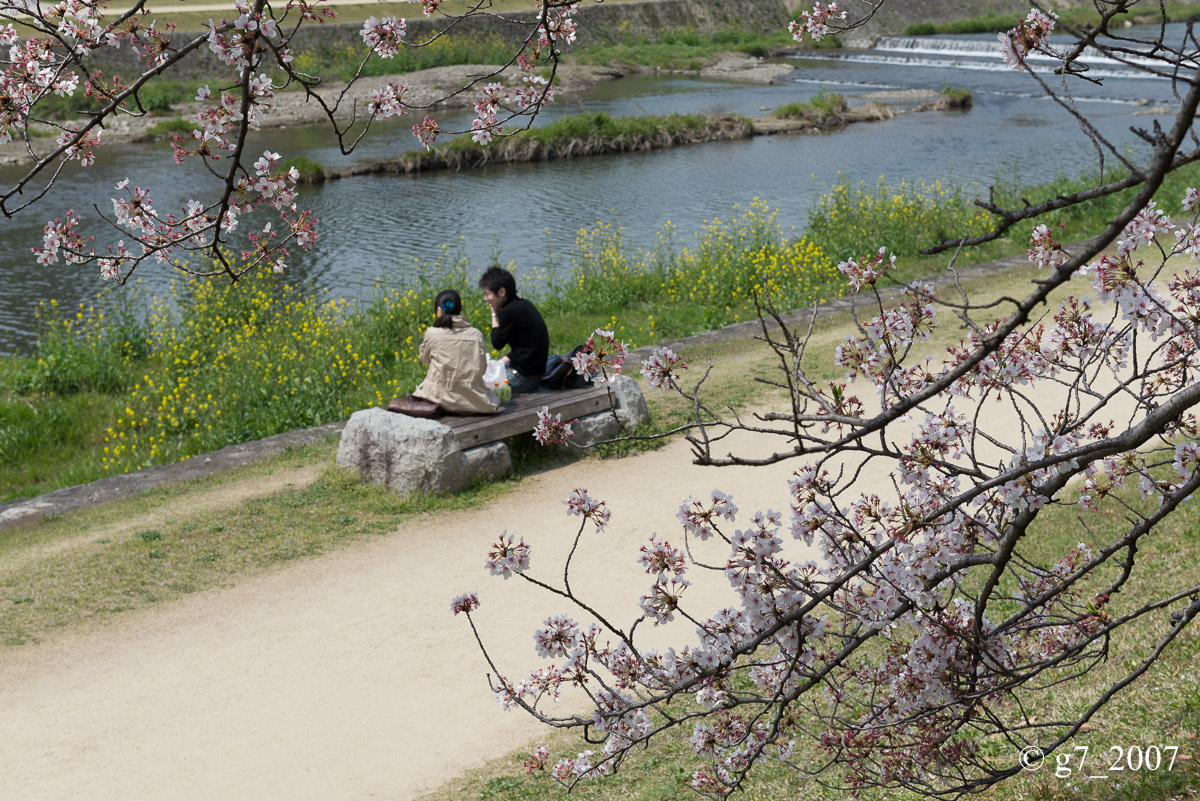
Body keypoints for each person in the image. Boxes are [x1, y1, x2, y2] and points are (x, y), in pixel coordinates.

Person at [412, 289, 500, 414]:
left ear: (439, 310)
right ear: (459, 310)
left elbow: (425, 360)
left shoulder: (432, 333)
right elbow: (482, 368)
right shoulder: (476, 334)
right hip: (475, 401)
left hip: (438, 398)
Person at [478, 266, 549, 395]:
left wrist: (494, 314)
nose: (486, 299)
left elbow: (497, 343)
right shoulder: (523, 305)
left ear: (501, 292)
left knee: (479, 387)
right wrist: (501, 362)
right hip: (534, 373)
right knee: (485, 373)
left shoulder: (509, 312)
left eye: (488, 294)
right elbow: (525, 347)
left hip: (525, 379)